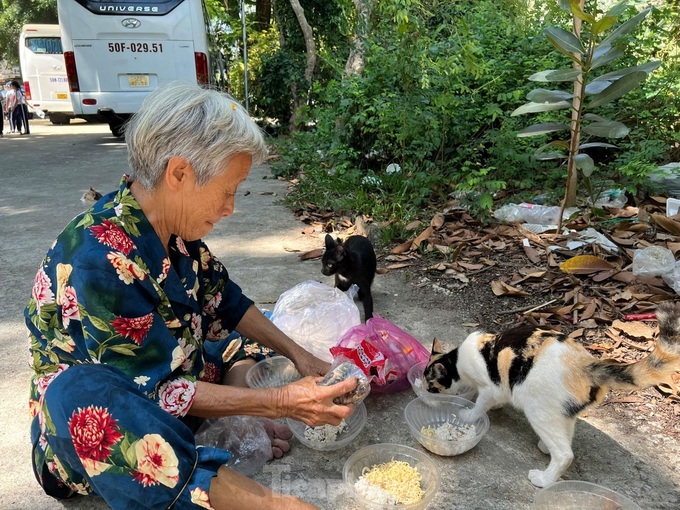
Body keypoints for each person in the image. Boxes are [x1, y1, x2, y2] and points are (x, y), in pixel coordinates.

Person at [25, 82, 357, 509]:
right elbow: (155, 392)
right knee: (78, 394)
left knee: (256, 331)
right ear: (179, 173)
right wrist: (279, 402)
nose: (230, 207)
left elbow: (227, 302)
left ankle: (231, 417)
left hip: (173, 379)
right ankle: (269, 503)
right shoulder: (98, 259)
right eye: (228, 190)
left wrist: (302, 358)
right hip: (105, 428)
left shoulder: (173, 234)